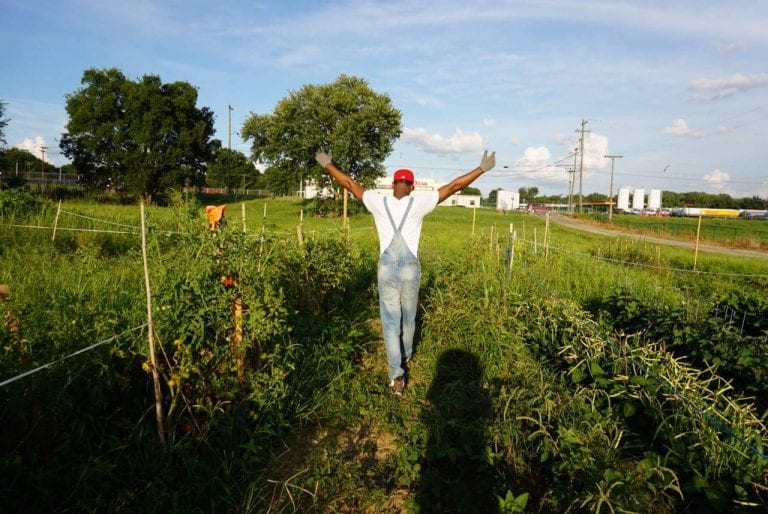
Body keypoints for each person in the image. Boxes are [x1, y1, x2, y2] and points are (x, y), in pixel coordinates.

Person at [315, 150, 496, 395]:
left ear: (393, 186)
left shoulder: (378, 201)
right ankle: (407, 356)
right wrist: (481, 168)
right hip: (410, 269)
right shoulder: (420, 202)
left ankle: (396, 375)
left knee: (391, 323)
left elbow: (348, 183)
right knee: (409, 318)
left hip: (387, 269)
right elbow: (454, 186)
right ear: (411, 186)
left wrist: (327, 164)